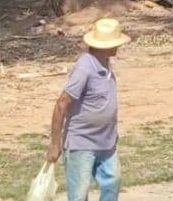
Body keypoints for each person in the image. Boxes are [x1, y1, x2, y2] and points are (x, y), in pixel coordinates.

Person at [47, 18, 130, 201]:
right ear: (104, 46)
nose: (118, 47)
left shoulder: (105, 63)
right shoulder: (85, 66)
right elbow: (62, 103)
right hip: (82, 142)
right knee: (79, 193)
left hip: (106, 142)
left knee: (112, 182)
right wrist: (55, 143)